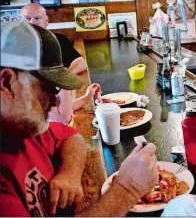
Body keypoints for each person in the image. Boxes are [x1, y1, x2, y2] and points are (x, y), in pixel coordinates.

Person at [0, 21, 159, 216]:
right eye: (49, 88)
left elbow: (70, 136)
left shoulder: (20, 128)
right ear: (6, 82)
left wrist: (69, 173)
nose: (56, 101)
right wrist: (128, 188)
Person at [21, 3, 89, 124]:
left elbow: (81, 62)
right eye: (27, 18)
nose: (32, 22)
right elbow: (63, 117)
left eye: (37, 18)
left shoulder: (58, 40)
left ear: (46, 21)